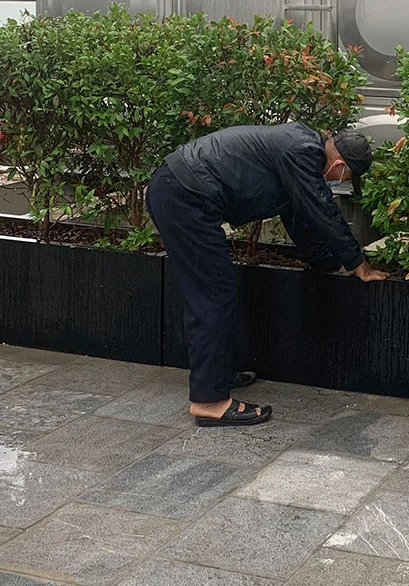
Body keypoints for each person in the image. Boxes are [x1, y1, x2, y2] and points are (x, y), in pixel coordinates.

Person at [146, 122, 388, 427]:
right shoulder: (302, 153)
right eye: (347, 177)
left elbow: (300, 220)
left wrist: (330, 264)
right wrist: (358, 263)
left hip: (178, 191)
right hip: (184, 196)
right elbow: (323, 211)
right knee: (214, 293)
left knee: (213, 291)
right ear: (339, 166)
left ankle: (216, 376)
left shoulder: (299, 150)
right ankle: (210, 402)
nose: (339, 181)